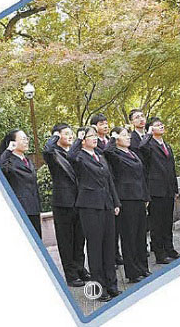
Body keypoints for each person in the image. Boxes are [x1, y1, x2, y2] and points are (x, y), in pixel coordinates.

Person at [68, 127, 121, 301]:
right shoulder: (79, 157)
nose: (95, 138)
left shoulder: (100, 155)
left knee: (109, 247)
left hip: (106, 205)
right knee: (95, 248)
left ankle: (112, 285)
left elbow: (109, 180)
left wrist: (115, 202)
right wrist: (78, 138)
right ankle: (99, 289)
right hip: (89, 207)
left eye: (95, 135)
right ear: (83, 139)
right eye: (90, 136)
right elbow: (70, 156)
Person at [42, 123, 89, 288]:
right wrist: (54, 136)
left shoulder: (75, 152)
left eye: (71, 133)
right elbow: (47, 149)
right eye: (66, 133)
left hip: (79, 200)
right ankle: (71, 275)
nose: (70, 136)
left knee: (79, 239)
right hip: (63, 202)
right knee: (66, 240)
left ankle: (80, 268)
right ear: (57, 136)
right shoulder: (53, 153)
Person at [104, 127, 151, 283]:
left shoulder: (133, 154)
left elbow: (141, 176)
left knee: (140, 235)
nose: (128, 137)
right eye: (124, 135)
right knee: (129, 236)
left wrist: (146, 196)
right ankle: (132, 272)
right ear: (117, 138)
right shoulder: (115, 154)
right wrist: (113, 137)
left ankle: (143, 267)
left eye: (128, 135)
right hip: (126, 199)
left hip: (139, 197)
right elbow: (107, 151)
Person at [139, 117, 180, 264]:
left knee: (167, 222)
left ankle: (170, 249)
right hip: (155, 191)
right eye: (157, 125)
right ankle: (160, 254)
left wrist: (175, 189)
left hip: (169, 190)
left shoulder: (167, 146)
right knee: (157, 224)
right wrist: (148, 134)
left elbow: (172, 168)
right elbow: (141, 148)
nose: (161, 126)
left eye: (161, 124)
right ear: (150, 129)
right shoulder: (149, 145)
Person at [89, 113, 123, 265]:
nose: (105, 126)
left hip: (116, 183)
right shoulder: (95, 144)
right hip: (102, 186)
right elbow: (105, 154)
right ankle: (111, 256)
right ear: (94, 126)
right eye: (101, 123)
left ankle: (116, 253)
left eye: (106, 123)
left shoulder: (110, 140)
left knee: (116, 224)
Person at [0, 129, 42, 237]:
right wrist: (8, 150)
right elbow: (0, 168)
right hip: (21, 208)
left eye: (27, 139)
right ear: (12, 142)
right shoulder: (9, 161)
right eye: (23, 139)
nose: (26, 141)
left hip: (34, 208)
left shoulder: (28, 160)